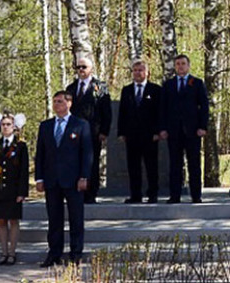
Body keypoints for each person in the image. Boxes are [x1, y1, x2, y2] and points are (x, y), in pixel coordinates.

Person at [35, 90, 93, 267]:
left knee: (76, 218)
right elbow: (40, 154)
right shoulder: (46, 126)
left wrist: (84, 176)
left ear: (69, 103)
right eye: (54, 101)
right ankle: (54, 254)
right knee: (54, 219)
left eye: (60, 101)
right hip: (52, 180)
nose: (56, 105)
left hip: (73, 179)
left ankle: (75, 253)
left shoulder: (80, 125)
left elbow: (87, 153)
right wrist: (39, 178)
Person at [159, 54, 209, 204]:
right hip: (174, 131)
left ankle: (196, 195)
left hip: (192, 131)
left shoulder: (197, 83)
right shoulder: (168, 85)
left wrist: (202, 127)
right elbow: (162, 109)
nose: (180, 66)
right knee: (175, 164)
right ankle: (175, 196)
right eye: (178, 64)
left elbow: (204, 106)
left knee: (194, 164)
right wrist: (162, 128)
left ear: (188, 66)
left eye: (183, 64)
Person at [0, 112, 29, 266]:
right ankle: (3, 253)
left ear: (15, 127)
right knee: (1, 221)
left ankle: (12, 252)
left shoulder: (21, 146)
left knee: (13, 221)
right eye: (3, 124)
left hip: (13, 189)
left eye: (8, 124)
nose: (5, 127)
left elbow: (24, 171)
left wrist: (22, 192)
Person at [66, 56, 112, 204]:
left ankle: (91, 194)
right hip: (74, 134)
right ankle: (76, 193)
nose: (81, 70)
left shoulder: (100, 87)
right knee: (74, 163)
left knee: (91, 163)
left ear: (91, 69)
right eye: (78, 67)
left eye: (84, 67)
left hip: (93, 133)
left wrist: (104, 131)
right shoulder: (71, 88)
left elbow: (107, 111)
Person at [118, 60, 162, 204]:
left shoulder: (155, 90)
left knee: (151, 166)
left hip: (150, 136)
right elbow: (122, 113)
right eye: (135, 70)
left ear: (147, 72)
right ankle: (135, 195)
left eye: (140, 70)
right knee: (133, 167)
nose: (137, 73)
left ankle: (152, 194)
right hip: (131, 135)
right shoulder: (127, 90)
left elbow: (159, 113)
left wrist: (158, 131)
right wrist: (121, 132)